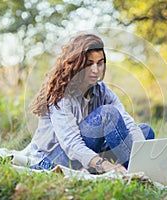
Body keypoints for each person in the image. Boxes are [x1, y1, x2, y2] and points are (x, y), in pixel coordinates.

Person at [28, 33, 155, 174]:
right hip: (51, 159)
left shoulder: (102, 90)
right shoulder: (60, 95)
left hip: (85, 151)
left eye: (99, 63)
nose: (95, 70)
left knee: (144, 131)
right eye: (89, 64)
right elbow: (71, 144)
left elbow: (127, 122)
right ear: (76, 65)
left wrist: (140, 149)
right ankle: (137, 171)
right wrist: (104, 164)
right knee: (108, 114)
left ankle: (131, 168)